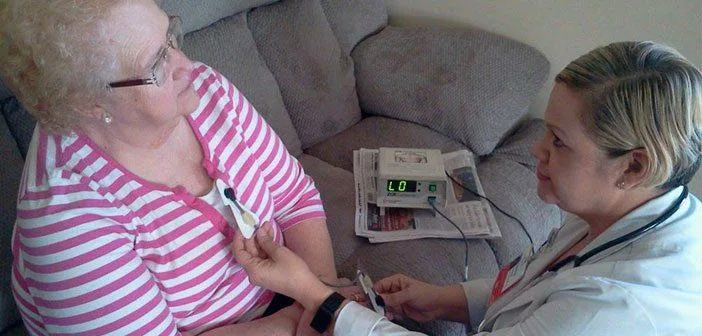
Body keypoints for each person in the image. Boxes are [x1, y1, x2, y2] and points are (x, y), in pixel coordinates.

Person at [233, 41, 702, 335]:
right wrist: (442, 298)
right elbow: (535, 281)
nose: (538, 152)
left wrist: (316, 297)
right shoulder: (630, 211)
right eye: (546, 131)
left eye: (559, 143)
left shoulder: (613, 314)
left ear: (633, 166)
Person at [0, 0, 353, 334]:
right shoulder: (65, 221)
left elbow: (295, 198)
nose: (186, 64)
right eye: (156, 65)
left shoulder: (205, 91)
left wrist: (322, 296)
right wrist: (316, 314)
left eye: (170, 35)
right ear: (89, 102)